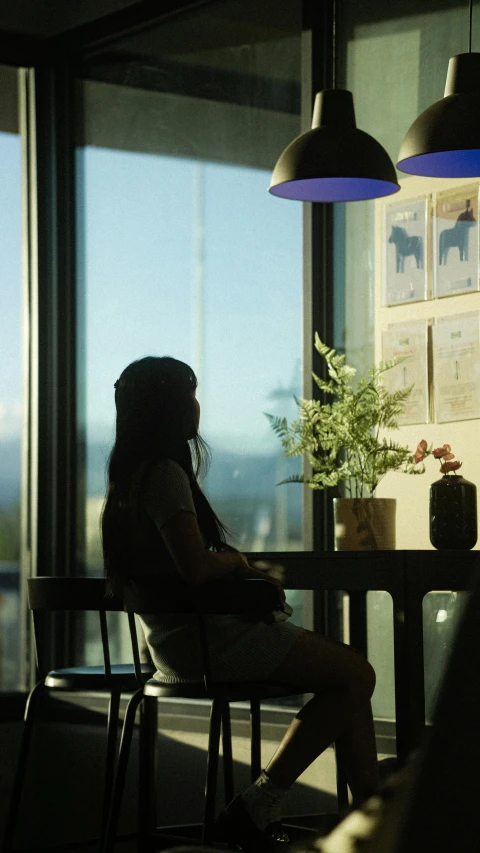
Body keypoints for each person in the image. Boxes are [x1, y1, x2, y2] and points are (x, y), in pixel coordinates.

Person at [101, 355, 379, 852]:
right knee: (358, 677)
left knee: (350, 684)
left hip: (171, 648)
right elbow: (194, 567)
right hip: (207, 645)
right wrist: (234, 562)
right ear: (168, 409)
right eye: (188, 395)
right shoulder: (164, 474)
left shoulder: (126, 479)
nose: (197, 405)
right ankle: (260, 802)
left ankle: (369, 821)